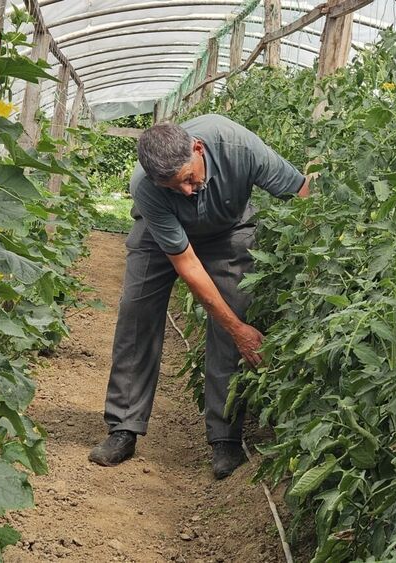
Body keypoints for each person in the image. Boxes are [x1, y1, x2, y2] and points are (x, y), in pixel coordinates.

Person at [89, 114, 311, 479]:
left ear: (198, 148)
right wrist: (238, 328)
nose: (187, 191)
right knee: (137, 314)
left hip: (228, 230)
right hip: (161, 234)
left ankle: (225, 437)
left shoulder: (240, 146)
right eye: (175, 188)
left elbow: (300, 192)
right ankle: (123, 427)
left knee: (233, 313)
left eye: (189, 179)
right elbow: (188, 265)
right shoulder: (146, 187)